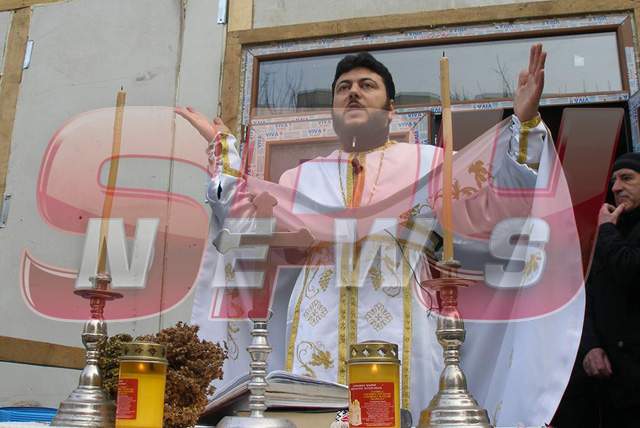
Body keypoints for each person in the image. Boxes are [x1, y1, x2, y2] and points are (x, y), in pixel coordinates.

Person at [179, 45, 584, 426]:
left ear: (391, 111)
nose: (353, 93)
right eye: (343, 88)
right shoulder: (301, 178)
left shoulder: (432, 165)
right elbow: (245, 227)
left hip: (405, 319)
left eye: (366, 85)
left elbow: (497, 204)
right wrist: (224, 152)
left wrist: (524, 124)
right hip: (316, 326)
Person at [555, 152, 640, 427]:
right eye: (614, 180)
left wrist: (606, 231)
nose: (616, 187)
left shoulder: (608, 231)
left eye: (626, 178)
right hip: (611, 383)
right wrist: (591, 346)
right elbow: (589, 294)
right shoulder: (613, 228)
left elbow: (630, 269)